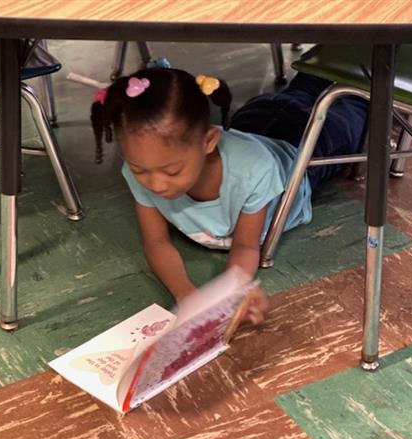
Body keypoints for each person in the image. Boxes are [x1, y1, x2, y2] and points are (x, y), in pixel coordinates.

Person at [90, 67, 368, 325]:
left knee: (357, 99)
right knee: (303, 91)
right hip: (256, 124)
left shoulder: (251, 173)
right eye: (140, 170)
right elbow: (156, 240)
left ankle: (348, 50)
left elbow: (247, 245)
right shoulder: (144, 167)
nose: (156, 184)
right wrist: (185, 294)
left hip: (304, 149)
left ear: (209, 141)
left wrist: (234, 291)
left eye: (172, 171)